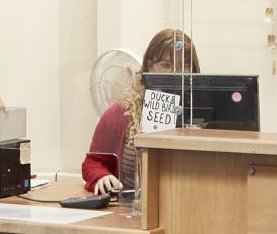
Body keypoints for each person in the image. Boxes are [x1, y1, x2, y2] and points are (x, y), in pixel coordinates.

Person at [83, 28, 199, 195]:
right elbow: (93, 162)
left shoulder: (201, 116)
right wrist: (102, 176)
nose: (175, 73)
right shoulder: (121, 112)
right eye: (166, 65)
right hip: (131, 204)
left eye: (184, 66)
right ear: (149, 67)